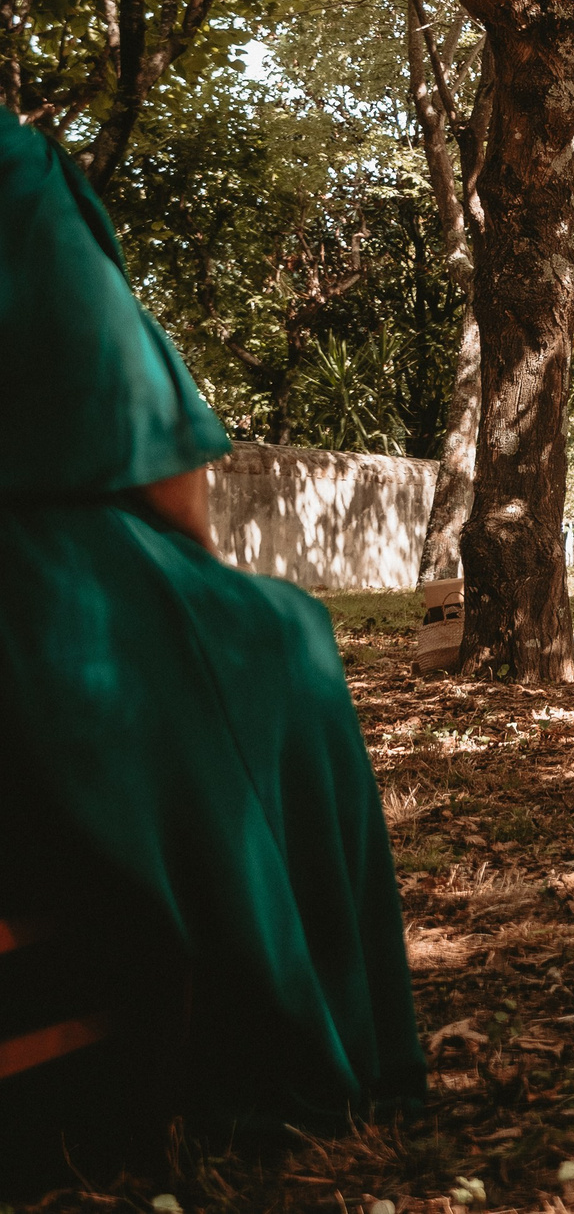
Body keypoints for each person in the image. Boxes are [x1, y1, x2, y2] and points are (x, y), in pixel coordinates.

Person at [0, 106, 423, 1167]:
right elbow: (149, 444)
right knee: (281, 639)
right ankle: (277, 1037)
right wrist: (197, 579)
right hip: (40, 579)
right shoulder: (13, 167)